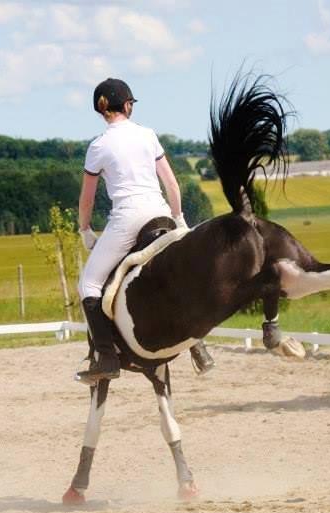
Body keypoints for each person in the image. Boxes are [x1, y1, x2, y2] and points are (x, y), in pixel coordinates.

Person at [75, 78, 214, 384]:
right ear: (127, 105)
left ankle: (107, 357)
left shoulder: (97, 146)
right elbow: (172, 185)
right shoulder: (148, 135)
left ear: (101, 110)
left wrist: (85, 229)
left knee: (88, 285)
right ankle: (198, 344)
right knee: (177, 273)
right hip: (159, 212)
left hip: (126, 219)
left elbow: (86, 199)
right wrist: (178, 218)